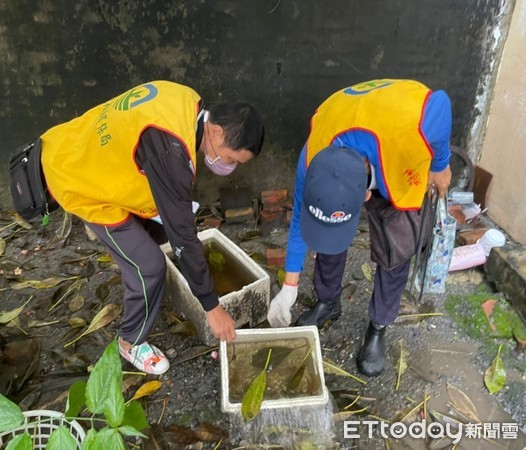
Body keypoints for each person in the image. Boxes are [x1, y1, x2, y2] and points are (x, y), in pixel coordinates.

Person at [38, 80, 264, 375]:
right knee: (150, 266)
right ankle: (131, 342)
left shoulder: (187, 101)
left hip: (78, 148)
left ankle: (139, 281)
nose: (229, 166)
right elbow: (183, 237)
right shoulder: (172, 152)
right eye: (232, 159)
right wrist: (212, 307)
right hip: (81, 180)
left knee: (156, 235)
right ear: (217, 132)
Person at [267, 79, 451, 377]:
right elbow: (302, 222)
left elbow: (440, 102)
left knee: (398, 246)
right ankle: (328, 301)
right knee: (327, 231)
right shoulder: (311, 159)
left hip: (398, 151)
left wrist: (441, 163)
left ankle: (378, 326)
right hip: (354, 123)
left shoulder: (420, 126)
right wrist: (289, 287)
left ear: (365, 196)